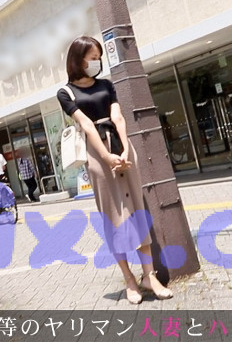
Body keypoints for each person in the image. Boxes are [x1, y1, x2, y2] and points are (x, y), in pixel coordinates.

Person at [57, 36, 173, 304]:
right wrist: (106, 156)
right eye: (92, 58)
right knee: (113, 215)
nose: (97, 62)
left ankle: (149, 276)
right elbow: (87, 125)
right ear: (78, 60)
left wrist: (124, 150)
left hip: (122, 147)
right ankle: (129, 279)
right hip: (97, 154)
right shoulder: (66, 93)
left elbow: (118, 117)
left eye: (99, 57)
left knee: (137, 211)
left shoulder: (107, 85)